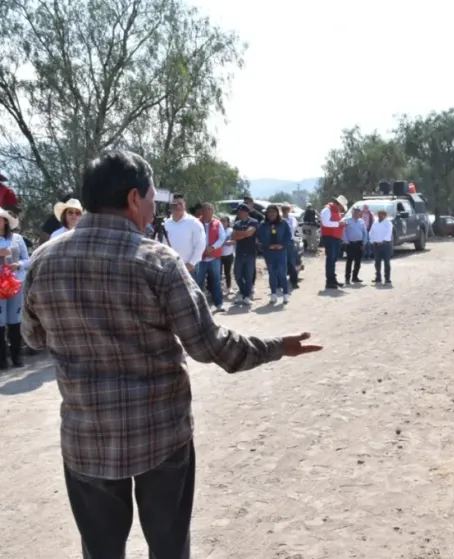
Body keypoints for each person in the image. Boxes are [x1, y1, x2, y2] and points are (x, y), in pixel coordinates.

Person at [20, 149, 322, 559]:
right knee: (168, 548)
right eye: (150, 199)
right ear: (132, 199)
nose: (152, 208)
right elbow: (211, 346)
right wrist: (276, 348)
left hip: (86, 438)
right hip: (161, 436)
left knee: (101, 551)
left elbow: (35, 338)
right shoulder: (158, 262)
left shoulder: (43, 261)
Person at [0, 208, 28, 368]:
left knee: (15, 319)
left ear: (5, 221)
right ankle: (2, 359)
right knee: (0, 320)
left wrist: (18, 265)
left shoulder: (17, 239)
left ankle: (17, 356)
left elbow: (27, 259)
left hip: (15, 282)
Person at [164, 193, 205, 277]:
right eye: (175, 204)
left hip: (189, 268)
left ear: (184, 205)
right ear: (171, 206)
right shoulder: (166, 224)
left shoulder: (193, 222)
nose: (178, 206)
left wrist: (191, 264)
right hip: (171, 268)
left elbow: (200, 245)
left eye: (180, 204)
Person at [257, 204, 292, 305]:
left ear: (277, 213)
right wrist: (268, 246)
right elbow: (261, 237)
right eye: (269, 212)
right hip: (269, 252)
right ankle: (273, 294)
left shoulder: (283, 223)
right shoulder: (263, 225)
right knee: (272, 273)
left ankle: (285, 294)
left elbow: (288, 236)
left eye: (273, 212)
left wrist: (282, 245)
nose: (271, 214)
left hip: (281, 252)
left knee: (282, 273)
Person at [196, 203, 226, 312]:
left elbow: (222, 237)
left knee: (216, 281)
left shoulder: (218, 223)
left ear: (212, 211)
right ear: (202, 211)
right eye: (205, 210)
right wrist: (204, 248)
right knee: (198, 281)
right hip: (200, 258)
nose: (207, 212)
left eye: (209, 210)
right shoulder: (196, 222)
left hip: (214, 257)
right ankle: (198, 305)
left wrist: (212, 247)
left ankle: (219, 303)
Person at [231, 204, 259, 305]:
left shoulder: (254, 222)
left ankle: (246, 296)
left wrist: (240, 234)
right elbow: (234, 236)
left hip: (250, 252)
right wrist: (244, 234)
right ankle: (243, 293)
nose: (238, 213)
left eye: (240, 211)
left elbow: (249, 233)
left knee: (248, 275)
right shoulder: (237, 223)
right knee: (237, 274)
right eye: (238, 212)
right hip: (239, 252)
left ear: (245, 212)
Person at [321, 195, 348, 289]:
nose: (341, 209)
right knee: (331, 259)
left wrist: (341, 224)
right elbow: (325, 223)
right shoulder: (327, 210)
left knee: (334, 259)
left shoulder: (336, 211)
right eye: (341, 206)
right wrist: (339, 224)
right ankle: (329, 281)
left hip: (335, 237)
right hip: (329, 237)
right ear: (339, 204)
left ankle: (333, 279)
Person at [369, 208, 394, 284]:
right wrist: (372, 241)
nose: (380, 216)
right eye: (379, 214)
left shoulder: (388, 223)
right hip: (376, 245)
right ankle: (378, 277)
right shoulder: (375, 223)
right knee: (377, 262)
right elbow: (371, 233)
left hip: (385, 245)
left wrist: (383, 240)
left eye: (382, 214)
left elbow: (389, 233)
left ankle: (387, 278)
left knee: (387, 262)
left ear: (385, 215)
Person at [343, 207, 367, 284]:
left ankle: (355, 277)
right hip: (350, 243)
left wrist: (364, 242)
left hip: (359, 244)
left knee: (358, 262)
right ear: (352, 212)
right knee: (349, 261)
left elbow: (365, 233)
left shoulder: (361, 221)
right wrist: (346, 241)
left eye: (357, 212)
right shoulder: (346, 221)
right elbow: (343, 232)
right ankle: (347, 278)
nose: (356, 213)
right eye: (355, 212)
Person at [280, 204, 300, 289]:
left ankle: (294, 281)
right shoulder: (279, 219)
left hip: (289, 242)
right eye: (284, 210)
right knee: (281, 263)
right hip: (280, 242)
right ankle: (280, 282)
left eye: (286, 209)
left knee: (291, 262)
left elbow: (292, 228)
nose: (285, 211)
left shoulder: (292, 219)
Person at [220, 216, 235, 293]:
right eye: (222, 221)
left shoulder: (231, 230)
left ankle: (229, 287)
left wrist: (231, 242)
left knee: (227, 272)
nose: (223, 223)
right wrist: (225, 242)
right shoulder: (218, 230)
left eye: (225, 221)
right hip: (219, 255)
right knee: (218, 272)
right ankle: (219, 287)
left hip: (229, 254)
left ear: (228, 222)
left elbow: (235, 241)